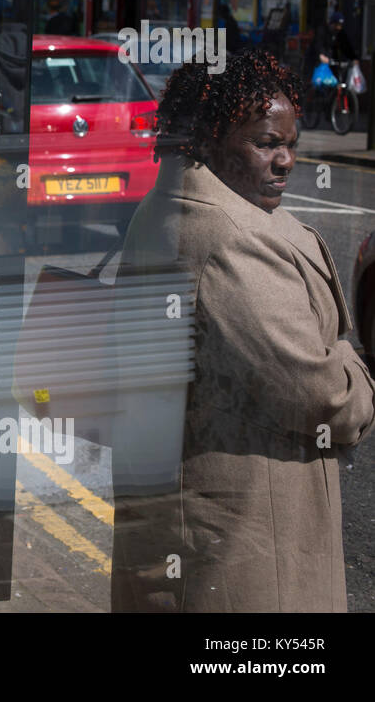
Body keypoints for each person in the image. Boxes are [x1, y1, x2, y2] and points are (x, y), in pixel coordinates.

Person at [111, 49, 375, 612]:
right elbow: (323, 397)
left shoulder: (168, 206)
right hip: (244, 554)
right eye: (264, 143)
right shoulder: (232, 241)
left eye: (292, 144)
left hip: (194, 531)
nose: (285, 161)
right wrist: (353, 364)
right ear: (209, 140)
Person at [308, 10, 358, 78]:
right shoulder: (322, 30)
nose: (338, 28)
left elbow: (346, 45)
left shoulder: (338, 33)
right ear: (332, 23)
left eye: (340, 25)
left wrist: (353, 58)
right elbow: (318, 44)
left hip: (331, 62)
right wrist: (321, 55)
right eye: (337, 25)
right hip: (316, 61)